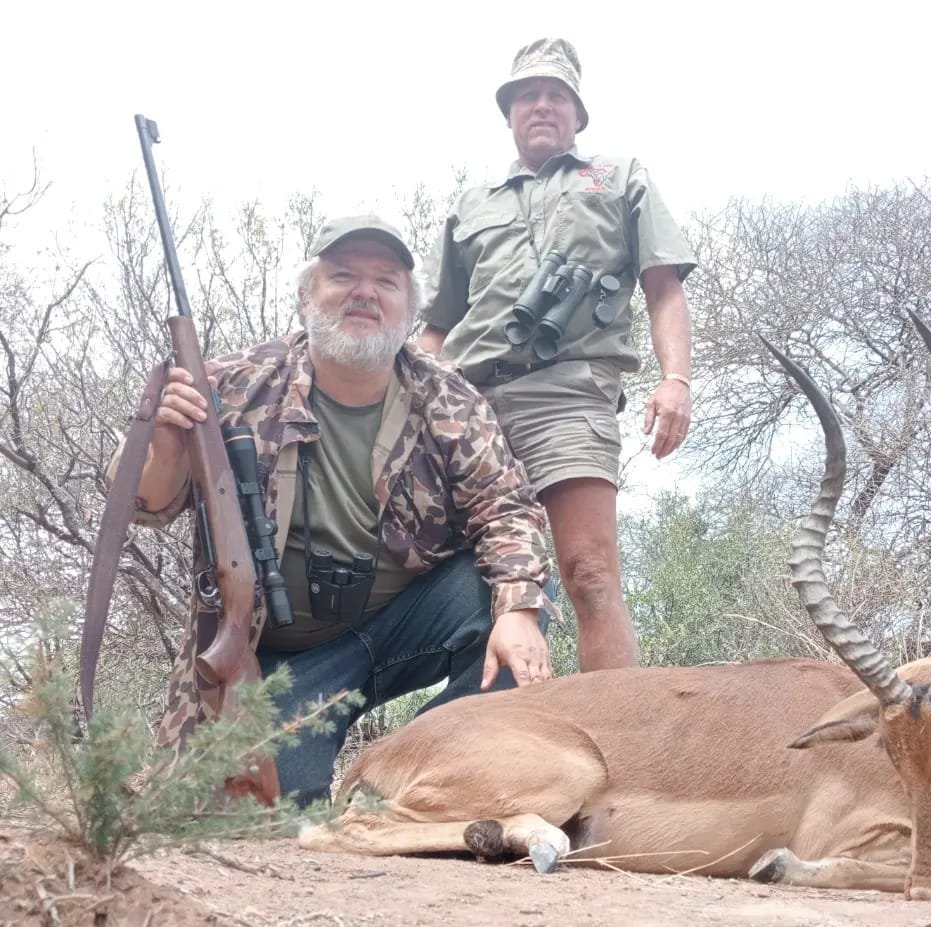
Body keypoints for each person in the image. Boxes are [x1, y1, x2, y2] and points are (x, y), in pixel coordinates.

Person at [122, 215, 558, 806]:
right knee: (258, 819)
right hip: (277, 663)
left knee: (512, 596)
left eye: (386, 281)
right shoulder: (231, 382)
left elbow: (508, 508)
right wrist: (165, 439)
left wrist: (518, 613)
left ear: (409, 309)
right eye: (344, 276)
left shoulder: (449, 396)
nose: (365, 293)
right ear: (308, 296)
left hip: (399, 626)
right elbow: (145, 506)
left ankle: (414, 773)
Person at [418, 37, 696, 672]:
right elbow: (436, 327)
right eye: (526, 96)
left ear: (578, 112)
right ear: (508, 113)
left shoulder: (621, 177)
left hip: (567, 393)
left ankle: (620, 747)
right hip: (466, 406)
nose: (540, 105)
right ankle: (511, 754)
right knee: (480, 590)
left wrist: (675, 379)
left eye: (555, 95)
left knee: (589, 572)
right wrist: (398, 395)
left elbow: (663, 287)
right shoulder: (470, 205)